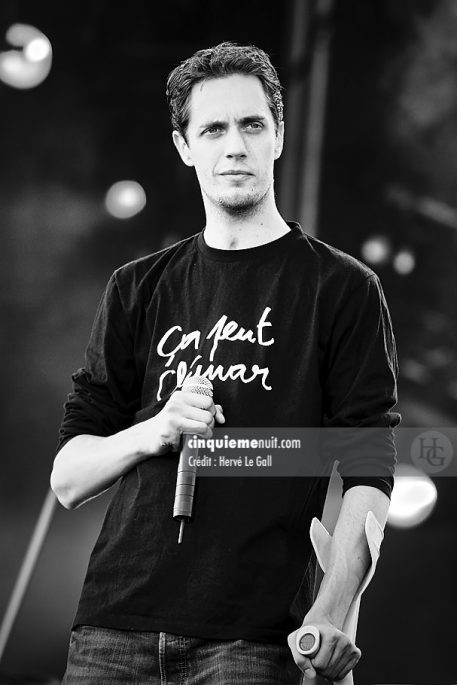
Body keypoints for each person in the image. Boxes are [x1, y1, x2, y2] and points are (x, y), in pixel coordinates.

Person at [51, 41, 400, 684]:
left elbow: (370, 469)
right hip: (112, 627)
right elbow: (69, 478)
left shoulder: (342, 288)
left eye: (251, 125)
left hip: (253, 638)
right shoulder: (136, 287)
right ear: (185, 146)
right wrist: (156, 428)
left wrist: (330, 609)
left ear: (278, 137)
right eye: (213, 128)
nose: (234, 145)